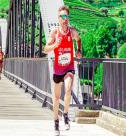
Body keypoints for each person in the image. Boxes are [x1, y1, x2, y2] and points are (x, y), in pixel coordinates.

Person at [44, 5, 82, 136]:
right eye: (62, 16)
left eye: (66, 16)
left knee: (68, 89)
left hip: (69, 67)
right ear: (58, 18)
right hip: (58, 69)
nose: (65, 19)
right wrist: (56, 45)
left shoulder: (72, 32)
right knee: (55, 98)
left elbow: (79, 39)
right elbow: (46, 49)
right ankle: (56, 122)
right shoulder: (55, 32)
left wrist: (78, 50)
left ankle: (65, 113)